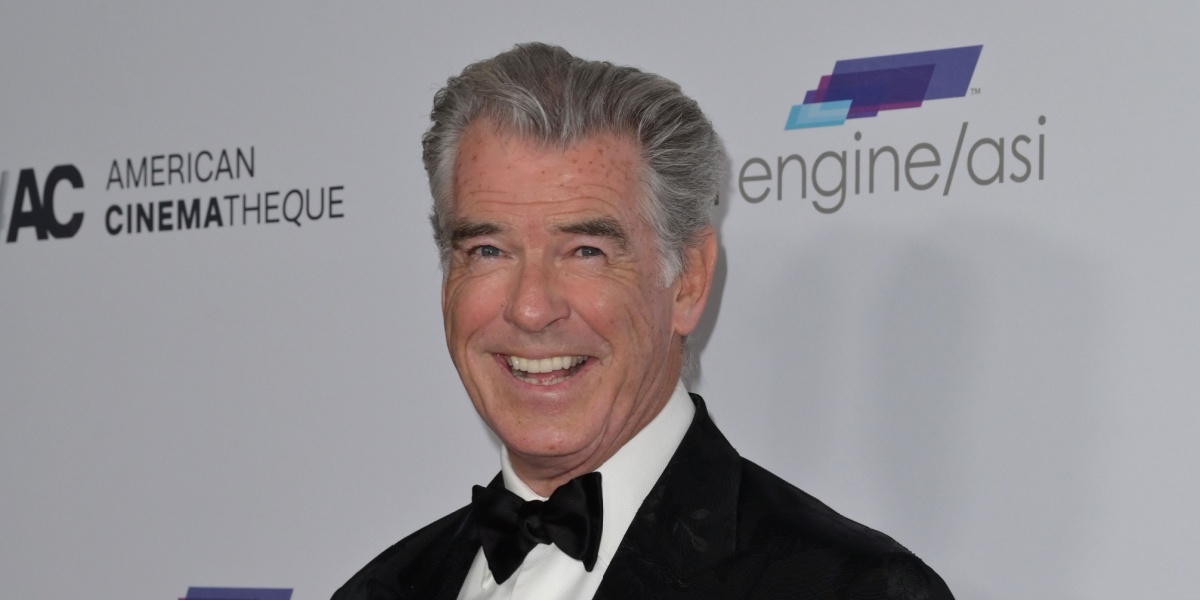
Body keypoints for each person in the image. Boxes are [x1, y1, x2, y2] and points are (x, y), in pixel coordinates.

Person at [332, 42, 954, 600]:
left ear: (688, 280)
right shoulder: (377, 589)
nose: (530, 308)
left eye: (586, 251)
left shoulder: (853, 590)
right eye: (489, 251)